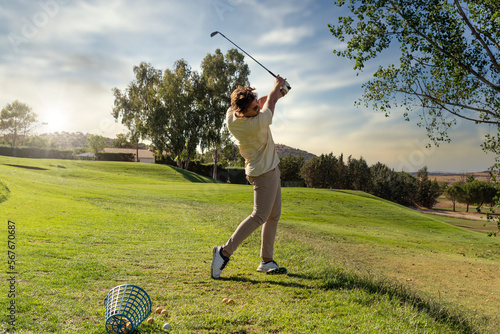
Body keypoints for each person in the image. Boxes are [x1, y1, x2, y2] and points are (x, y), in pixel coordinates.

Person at [211, 75, 288, 279]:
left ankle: (266, 261)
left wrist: (279, 93)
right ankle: (223, 252)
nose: (257, 108)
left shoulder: (232, 116)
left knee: (273, 215)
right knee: (260, 215)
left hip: (268, 169)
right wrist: (277, 87)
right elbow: (268, 103)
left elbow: (263, 102)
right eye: (253, 108)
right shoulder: (255, 123)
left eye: (255, 104)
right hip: (264, 172)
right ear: (243, 112)